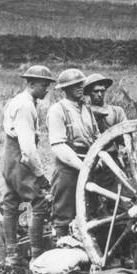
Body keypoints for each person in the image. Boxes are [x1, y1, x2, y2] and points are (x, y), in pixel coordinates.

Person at [1, 65, 56, 267]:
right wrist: (40, 175)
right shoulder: (25, 106)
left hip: (8, 158)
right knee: (40, 202)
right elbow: (28, 148)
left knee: (10, 203)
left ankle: (11, 254)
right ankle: (36, 253)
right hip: (20, 159)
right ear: (31, 83)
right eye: (44, 85)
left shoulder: (17, 101)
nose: (47, 89)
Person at [47, 68, 98, 243]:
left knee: (90, 206)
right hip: (68, 165)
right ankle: (60, 243)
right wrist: (82, 167)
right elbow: (59, 145)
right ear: (64, 89)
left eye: (80, 84)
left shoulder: (86, 109)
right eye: (74, 85)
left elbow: (97, 137)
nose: (79, 88)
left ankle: (86, 243)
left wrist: (97, 159)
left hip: (89, 160)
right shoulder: (57, 110)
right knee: (64, 207)